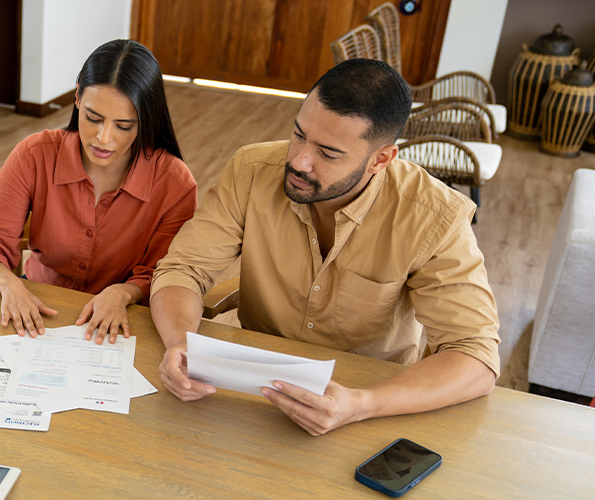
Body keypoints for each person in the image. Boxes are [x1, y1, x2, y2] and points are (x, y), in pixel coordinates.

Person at [150, 59, 500, 436]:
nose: (299, 161)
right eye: (298, 134)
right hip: (252, 390)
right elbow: (182, 269)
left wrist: (361, 405)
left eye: (328, 153)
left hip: (370, 400)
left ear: (380, 159)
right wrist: (180, 343)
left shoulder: (435, 217)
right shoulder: (251, 170)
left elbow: (475, 356)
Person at [0, 39, 197, 344]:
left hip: (124, 322)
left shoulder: (174, 183)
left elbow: (168, 274)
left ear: (146, 119)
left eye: (123, 126)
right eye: (93, 118)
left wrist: (124, 292)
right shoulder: (35, 154)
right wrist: (8, 283)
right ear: (78, 96)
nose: (103, 138)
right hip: (36, 306)